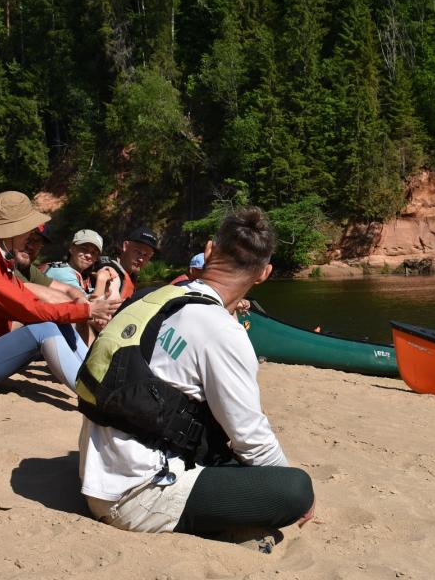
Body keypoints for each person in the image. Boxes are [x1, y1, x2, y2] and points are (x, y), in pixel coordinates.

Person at [77, 207, 314, 549]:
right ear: (264, 273)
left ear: (209, 250)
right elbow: (252, 439)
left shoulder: (156, 298)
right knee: (295, 489)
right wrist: (288, 485)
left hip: (96, 471)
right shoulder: (223, 331)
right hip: (134, 497)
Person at [0, 191, 122, 393]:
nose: (30, 237)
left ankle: (95, 379)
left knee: (54, 320)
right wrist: (87, 311)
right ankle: (93, 395)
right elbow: (27, 308)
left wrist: (81, 308)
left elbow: (32, 301)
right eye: (28, 230)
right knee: (44, 328)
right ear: (12, 231)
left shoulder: (0, 261)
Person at [92, 226, 158, 299]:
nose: (141, 259)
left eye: (146, 255)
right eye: (138, 252)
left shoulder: (131, 274)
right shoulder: (110, 270)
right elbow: (112, 288)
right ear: (126, 246)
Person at [44, 229, 108, 295]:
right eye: (84, 249)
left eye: (94, 253)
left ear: (96, 258)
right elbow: (88, 301)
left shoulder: (82, 276)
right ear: (71, 249)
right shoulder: (62, 273)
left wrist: (108, 282)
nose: (88, 255)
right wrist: (102, 279)